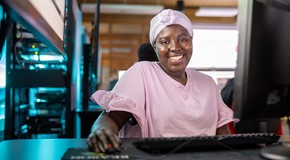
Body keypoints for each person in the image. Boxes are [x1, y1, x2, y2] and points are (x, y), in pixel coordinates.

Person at [87, 9, 235, 153]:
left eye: (183, 39)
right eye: (165, 41)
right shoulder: (142, 72)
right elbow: (112, 117)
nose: (175, 47)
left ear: (191, 41)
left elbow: (223, 135)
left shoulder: (208, 83)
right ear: (155, 47)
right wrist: (102, 130)